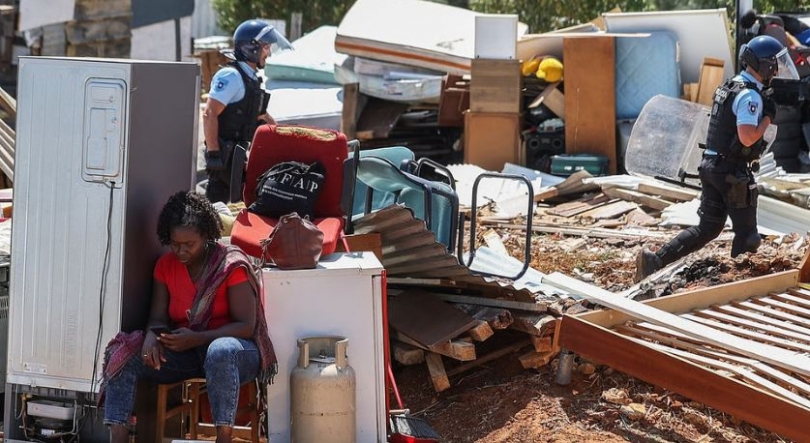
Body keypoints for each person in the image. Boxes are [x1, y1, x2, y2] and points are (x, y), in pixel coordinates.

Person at [102, 191, 277, 443]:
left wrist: (198, 338)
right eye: (174, 244)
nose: (181, 251)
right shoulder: (165, 265)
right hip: (187, 352)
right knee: (125, 352)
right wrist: (151, 336)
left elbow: (246, 326)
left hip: (235, 355)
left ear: (206, 236)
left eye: (189, 244)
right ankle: (117, 434)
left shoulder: (230, 265)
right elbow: (158, 318)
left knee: (220, 350)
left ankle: (223, 438)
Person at [635, 35, 789, 282]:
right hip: (731, 172)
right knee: (747, 235)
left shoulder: (730, 85)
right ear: (765, 65)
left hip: (712, 166)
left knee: (708, 228)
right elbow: (748, 137)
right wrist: (768, 117)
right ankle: (740, 287)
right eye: (775, 64)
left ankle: (656, 260)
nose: (777, 70)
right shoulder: (750, 96)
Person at [203, 19, 292, 204]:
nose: (268, 53)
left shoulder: (251, 79)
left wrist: (286, 138)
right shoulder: (231, 76)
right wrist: (213, 155)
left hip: (238, 156)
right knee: (217, 209)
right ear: (250, 48)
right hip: (223, 157)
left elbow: (261, 116)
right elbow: (209, 113)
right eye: (266, 47)